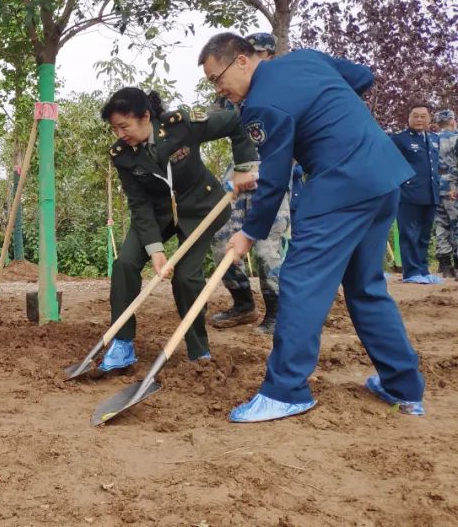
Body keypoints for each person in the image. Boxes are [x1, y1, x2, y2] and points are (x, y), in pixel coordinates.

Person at [200, 32, 425, 423]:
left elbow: (273, 180)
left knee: (301, 283)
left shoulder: (260, 106)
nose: (220, 90)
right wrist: (326, 112)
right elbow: (363, 76)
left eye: (217, 79)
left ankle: (285, 391)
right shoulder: (306, 59)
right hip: (382, 178)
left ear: (241, 60)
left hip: (340, 187)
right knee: (366, 287)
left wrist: (248, 233)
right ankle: (403, 388)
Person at [100, 87, 258, 371]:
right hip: (157, 215)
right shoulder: (121, 154)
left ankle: (199, 349)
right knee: (124, 264)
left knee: (186, 277)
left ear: (145, 116)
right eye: (115, 129)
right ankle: (122, 343)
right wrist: (156, 250)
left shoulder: (180, 126)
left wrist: (245, 166)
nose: (120, 134)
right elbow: (139, 204)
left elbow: (234, 122)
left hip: (200, 208)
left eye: (124, 126)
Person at [207, 33, 291, 335]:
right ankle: (243, 304)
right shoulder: (228, 97)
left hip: (273, 173)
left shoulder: (283, 91)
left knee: (266, 248)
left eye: (261, 54)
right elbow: (210, 124)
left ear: (268, 57)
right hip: (239, 173)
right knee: (222, 240)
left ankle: (277, 311)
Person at [391, 104, 443, 284]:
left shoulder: (434, 139)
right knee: (409, 234)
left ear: (429, 119)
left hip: (430, 194)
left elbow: (436, 167)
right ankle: (412, 272)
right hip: (409, 194)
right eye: (415, 116)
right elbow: (392, 165)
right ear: (409, 118)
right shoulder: (400, 139)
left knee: (424, 235)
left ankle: (423, 270)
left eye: (423, 116)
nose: (419, 120)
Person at [432, 109, 457, 278]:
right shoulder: (456, 138)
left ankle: (445, 264)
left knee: (441, 224)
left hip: (436, 186)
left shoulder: (432, 140)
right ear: (453, 121)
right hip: (453, 186)